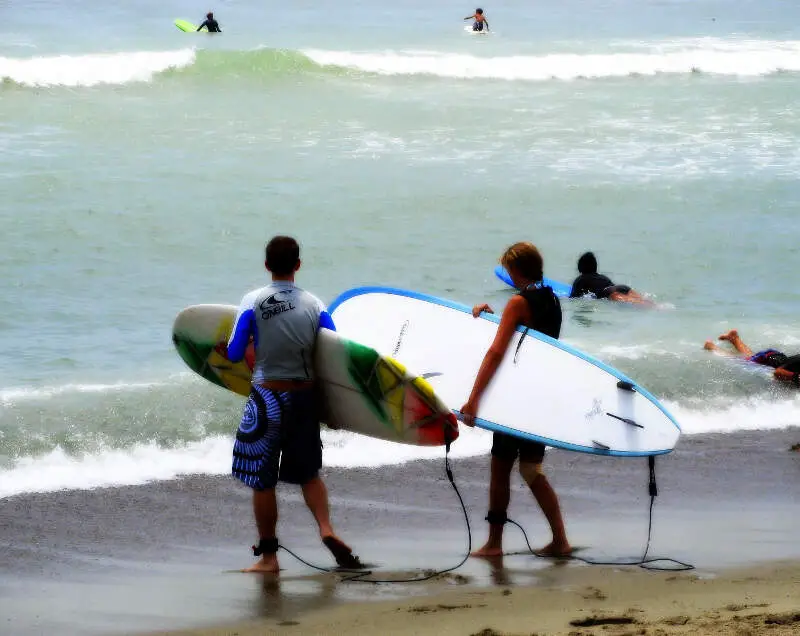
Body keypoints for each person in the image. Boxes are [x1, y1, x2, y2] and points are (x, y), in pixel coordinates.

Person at [220, 235, 360, 573]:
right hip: (304, 398)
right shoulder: (315, 304)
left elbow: (236, 352)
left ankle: (269, 558)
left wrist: (242, 344)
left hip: (267, 396)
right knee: (309, 474)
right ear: (298, 265)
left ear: (267, 265)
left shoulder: (253, 300)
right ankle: (326, 529)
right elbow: (332, 354)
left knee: (262, 479)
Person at [460, 242, 571, 558]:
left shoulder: (518, 302)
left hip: (517, 400)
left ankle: (494, 543)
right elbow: (530, 338)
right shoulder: (551, 298)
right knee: (531, 469)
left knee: (500, 466)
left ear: (515, 270)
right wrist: (496, 320)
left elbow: (497, 352)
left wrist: (473, 399)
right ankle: (560, 540)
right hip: (540, 395)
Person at [704, 330, 800, 386]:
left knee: (749, 357)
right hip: (767, 358)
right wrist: (796, 378)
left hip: (775, 357)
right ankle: (712, 347)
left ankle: (734, 338)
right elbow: (777, 372)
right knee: (739, 361)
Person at [569, 251, 651, 305]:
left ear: (580, 267)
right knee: (644, 301)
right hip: (622, 287)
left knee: (639, 304)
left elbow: (573, 298)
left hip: (610, 293)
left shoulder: (580, 280)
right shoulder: (602, 277)